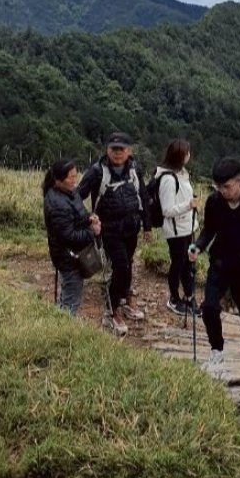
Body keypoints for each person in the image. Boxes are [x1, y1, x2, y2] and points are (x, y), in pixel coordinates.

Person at [189, 157, 240, 371]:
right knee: (209, 307)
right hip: (220, 262)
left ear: (239, 180)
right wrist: (198, 246)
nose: (223, 191)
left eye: (226, 186)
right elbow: (209, 230)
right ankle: (216, 350)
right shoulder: (214, 202)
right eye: (218, 187)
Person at [78, 132, 152, 331]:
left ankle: (125, 300)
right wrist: (87, 218)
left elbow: (143, 196)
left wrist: (147, 226)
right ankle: (112, 311)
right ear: (107, 150)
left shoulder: (135, 168)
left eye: (122, 149)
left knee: (128, 264)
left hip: (131, 227)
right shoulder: (97, 172)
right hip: (109, 229)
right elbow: (78, 196)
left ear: (129, 151)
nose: (118, 153)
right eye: (114, 149)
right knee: (120, 266)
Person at [42, 158, 102, 316]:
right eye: (70, 177)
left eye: (76, 176)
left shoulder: (69, 192)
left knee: (68, 295)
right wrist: (92, 231)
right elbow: (69, 236)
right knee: (71, 300)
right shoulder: (57, 204)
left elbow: (76, 215)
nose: (75, 181)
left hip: (72, 255)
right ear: (58, 179)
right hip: (69, 258)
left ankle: (59, 323)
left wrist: (89, 218)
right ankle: (64, 333)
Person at [154, 138, 200, 316]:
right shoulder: (168, 179)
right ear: (181, 156)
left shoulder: (181, 173)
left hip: (186, 228)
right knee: (178, 264)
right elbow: (167, 210)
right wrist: (189, 205)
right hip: (176, 231)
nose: (189, 155)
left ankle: (189, 297)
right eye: (187, 152)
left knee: (187, 264)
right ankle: (174, 298)